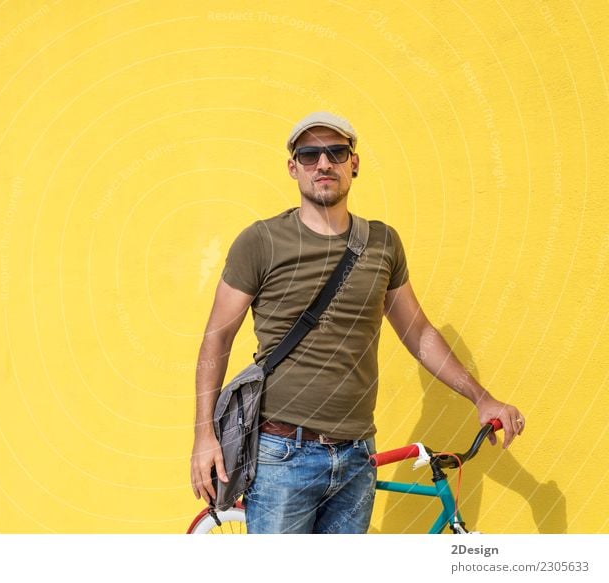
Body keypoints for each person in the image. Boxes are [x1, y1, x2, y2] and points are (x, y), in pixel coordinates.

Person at [189, 111, 525, 534]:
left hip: (356, 456)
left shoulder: (383, 242)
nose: (323, 164)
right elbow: (215, 342)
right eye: (309, 155)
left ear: (354, 163)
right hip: (281, 454)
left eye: (336, 152)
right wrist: (205, 437)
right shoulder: (261, 242)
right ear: (293, 168)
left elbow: (418, 332)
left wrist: (482, 398)